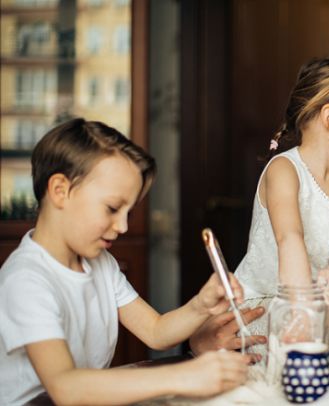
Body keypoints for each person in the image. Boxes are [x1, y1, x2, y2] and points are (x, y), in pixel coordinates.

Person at [0, 119, 251, 405]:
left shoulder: (100, 263)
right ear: (60, 190)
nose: (122, 226)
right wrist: (184, 376)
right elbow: (65, 387)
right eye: (112, 208)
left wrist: (200, 305)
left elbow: (156, 332)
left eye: (128, 213)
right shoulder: (26, 280)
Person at [210, 58, 329, 371]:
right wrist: (302, 310)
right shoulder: (284, 170)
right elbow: (289, 238)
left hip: (322, 308)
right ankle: (302, 360)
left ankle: (323, 362)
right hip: (268, 301)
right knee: (269, 340)